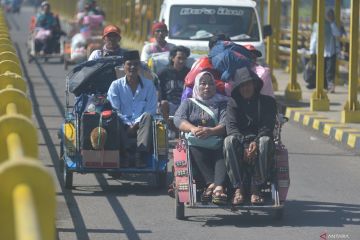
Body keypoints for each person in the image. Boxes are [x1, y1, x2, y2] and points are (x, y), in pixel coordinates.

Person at [224, 67, 277, 205]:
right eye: (242, 86)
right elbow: (231, 128)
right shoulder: (232, 103)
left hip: (260, 140)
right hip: (240, 142)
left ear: (254, 85)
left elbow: (267, 127)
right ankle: (238, 187)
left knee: (265, 141)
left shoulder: (268, 102)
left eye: (248, 84)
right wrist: (244, 145)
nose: (245, 88)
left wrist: (256, 142)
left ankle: (256, 186)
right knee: (228, 141)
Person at [174, 71, 228, 205]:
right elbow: (178, 119)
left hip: (217, 141)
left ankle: (217, 186)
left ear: (215, 87)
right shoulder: (189, 103)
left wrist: (211, 131)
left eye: (210, 84)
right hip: (196, 142)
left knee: (225, 149)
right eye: (203, 83)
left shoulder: (222, 103)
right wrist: (193, 129)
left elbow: (226, 123)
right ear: (197, 86)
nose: (207, 87)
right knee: (191, 147)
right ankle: (212, 185)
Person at [107, 50, 157, 168]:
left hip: (142, 125)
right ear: (123, 66)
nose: (132, 67)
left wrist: (135, 124)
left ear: (139, 66)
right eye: (129, 64)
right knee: (113, 117)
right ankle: (124, 155)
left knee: (148, 116)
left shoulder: (149, 85)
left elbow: (151, 109)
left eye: (135, 64)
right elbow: (115, 109)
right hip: (122, 125)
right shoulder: (115, 85)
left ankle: (139, 155)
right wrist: (128, 125)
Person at [157, 45, 190, 128]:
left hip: (184, 104)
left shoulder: (189, 73)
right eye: (179, 58)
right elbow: (157, 90)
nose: (182, 61)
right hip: (168, 105)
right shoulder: (163, 73)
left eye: (184, 58)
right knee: (163, 103)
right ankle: (170, 127)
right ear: (172, 58)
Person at [309, 8, 341, 93]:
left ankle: (330, 86)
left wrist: (331, 23)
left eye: (331, 15)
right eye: (329, 15)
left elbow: (337, 34)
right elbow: (314, 39)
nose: (330, 17)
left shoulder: (332, 25)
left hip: (330, 51)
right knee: (321, 70)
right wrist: (312, 51)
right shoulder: (318, 25)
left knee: (330, 70)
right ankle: (323, 86)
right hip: (320, 52)